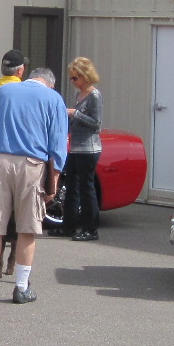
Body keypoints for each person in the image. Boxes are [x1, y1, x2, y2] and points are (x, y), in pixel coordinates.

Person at [0, 66, 67, 304]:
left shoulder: (2, 92)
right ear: (50, 83)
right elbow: (57, 144)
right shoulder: (53, 98)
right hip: (30, 163)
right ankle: (21, 287)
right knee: (27, 227)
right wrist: (53, 184)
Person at [64, 57, 104, 241]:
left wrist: (76, 113)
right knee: (71, 186)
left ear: (85, 76)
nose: (73, 82)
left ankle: (91, 228)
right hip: (75, 146)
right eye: (71, 78)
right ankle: (68, 226)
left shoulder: (94, 95)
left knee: (86, 187)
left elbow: (97, 124)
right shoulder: (79, 94)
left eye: (75, 78)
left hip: (89, 148)